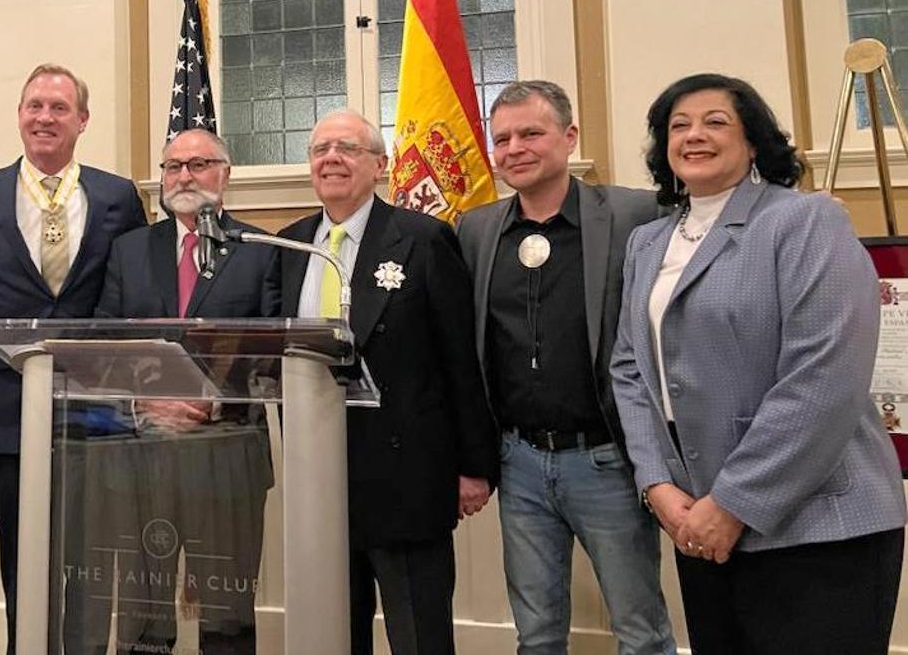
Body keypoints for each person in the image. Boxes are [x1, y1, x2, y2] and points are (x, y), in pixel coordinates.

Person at [611, 72, 907, 654]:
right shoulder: (647, 242)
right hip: (697, 522)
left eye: (715, 122)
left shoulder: (803, 222)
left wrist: (735, 503)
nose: (694, 135)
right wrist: (658, 486)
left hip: (816, 524)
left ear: (754, 143)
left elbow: (825, 377)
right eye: (678, 125)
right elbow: (629, 368)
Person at [455, 81, 675, 655]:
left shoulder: (634, 213)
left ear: (569, 137)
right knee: (537, 633)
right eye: (501, 138)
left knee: (641, 630)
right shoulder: (476, 230)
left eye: (531, 133)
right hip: (519, 461)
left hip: (606, 459)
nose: (514, 149)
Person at [275, 108, 499, 655]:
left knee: (417, 636)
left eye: (347, 148)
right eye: (320, 149)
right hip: (318, 480)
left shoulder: (423, 240)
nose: (331, 158)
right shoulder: (288, 246)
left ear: (380, 164)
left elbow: (460, 360)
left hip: (407, 479)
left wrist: (474, 466)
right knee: (334, 632)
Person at [0, 63, 146, 653]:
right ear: (19, 116)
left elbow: (134, 305)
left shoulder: (118, 198)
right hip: (6, 412)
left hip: (97, 411)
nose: (44, 117)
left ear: (82, 121)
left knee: (89, 559)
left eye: (59, 108)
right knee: (22, 553)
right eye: (34, 105)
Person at [94, 127, 279, 654]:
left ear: (225, 175)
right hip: (139, 453)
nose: (183, 176)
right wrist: (142, 399)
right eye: (173, 166)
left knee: (227, 614)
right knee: (142, 616)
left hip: (228, 455)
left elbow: (269, 351)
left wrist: (210, 398)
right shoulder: (129, 250)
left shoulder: (260, 251)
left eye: (198, 165)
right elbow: (107, 339)